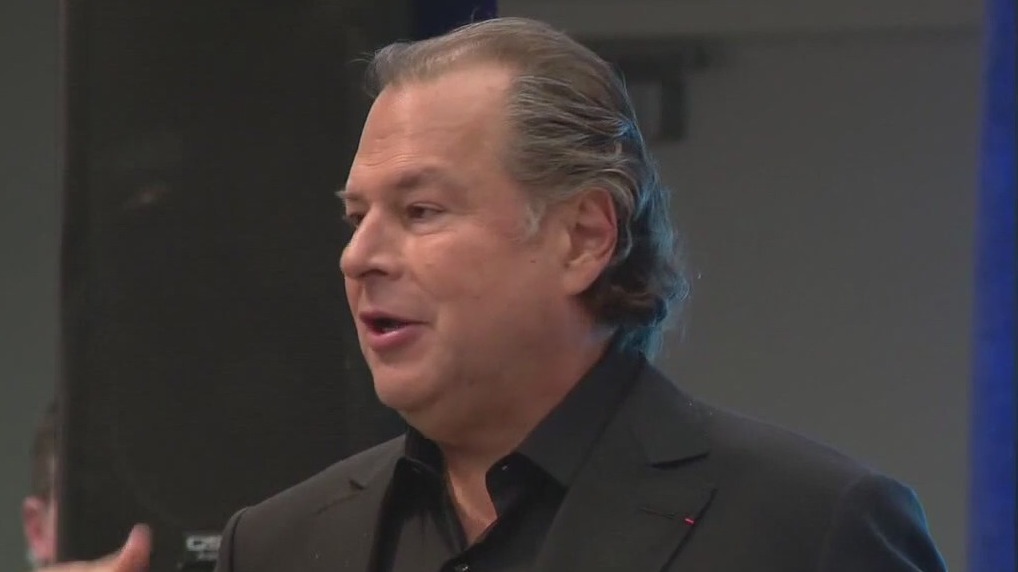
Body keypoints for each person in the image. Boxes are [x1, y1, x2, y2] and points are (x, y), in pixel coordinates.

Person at [70, 16, 948, 572]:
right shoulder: (277, 545)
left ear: (584, 236)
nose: (359, 257)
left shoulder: (805, 529)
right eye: (356, 216)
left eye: (420, 211)